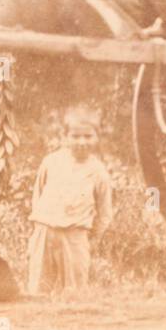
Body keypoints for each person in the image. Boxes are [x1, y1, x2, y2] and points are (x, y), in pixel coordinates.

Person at [27, 106, 114, 295]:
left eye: (88, 136)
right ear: (65, 136)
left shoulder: (98, 172)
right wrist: (39, 228)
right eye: (75, 136)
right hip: (44, 232)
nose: (82, 142)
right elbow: (38, 194)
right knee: (39, 290)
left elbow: (105, 213)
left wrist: (89, 238)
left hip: (75, 236)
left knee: (74, 293)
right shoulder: (51, 162)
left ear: (96, 137)